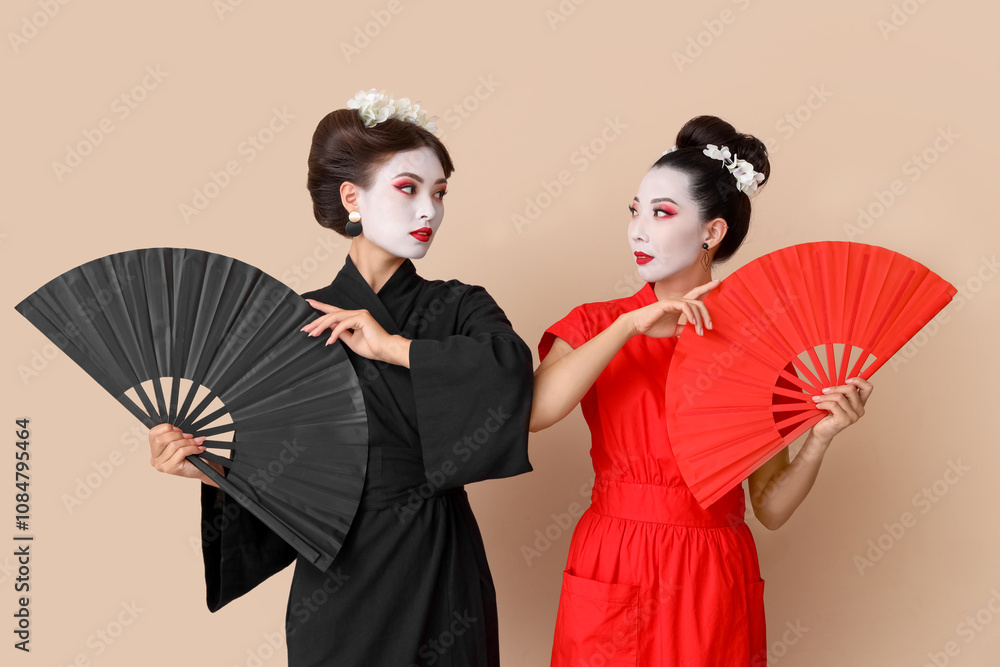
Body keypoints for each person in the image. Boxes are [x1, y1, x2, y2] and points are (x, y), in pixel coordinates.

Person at [147, 89, 534, 666]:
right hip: (339, 575)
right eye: (409, 188)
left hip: (439, 560)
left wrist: (393, 347)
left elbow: (509, 373)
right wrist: (208, 471)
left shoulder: (462, 305)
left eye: (440, 193)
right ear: (352, 197)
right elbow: (283, 480)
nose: (430, 210)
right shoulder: (291, 323)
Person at [530, 115, 874, 666]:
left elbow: (770, 506)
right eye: (635, 212)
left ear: (712, 233)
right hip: (615, 555)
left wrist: (820, 438)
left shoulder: (756, 351)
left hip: (713, 568)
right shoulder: (596, 322)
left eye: (662, 214)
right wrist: (628, 327)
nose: (639, 230)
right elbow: (535, 412)